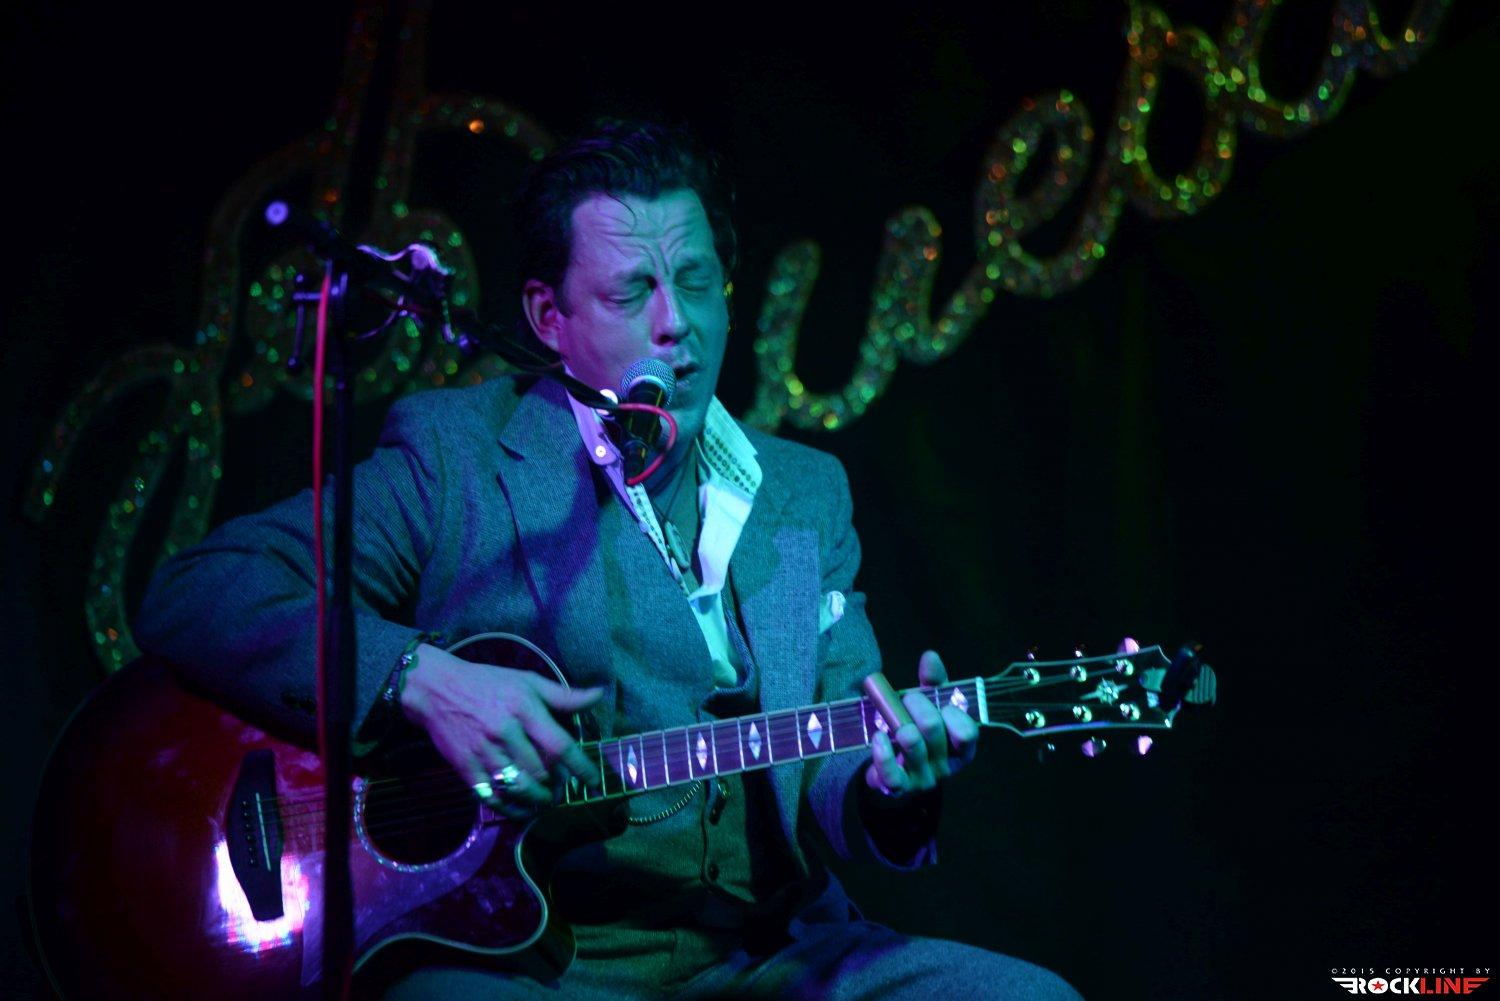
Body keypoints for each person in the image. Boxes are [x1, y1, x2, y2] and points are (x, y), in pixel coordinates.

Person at [134, 118, 1082, 1000]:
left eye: (698, 281)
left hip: (778, 954)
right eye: (633, 292)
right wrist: (419, 678)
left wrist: (888, 783)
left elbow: (837, 759)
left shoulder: (805, 493)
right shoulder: (456, 459)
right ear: (548, 317)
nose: (678, 323)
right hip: (536, 962)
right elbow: (193, 591)